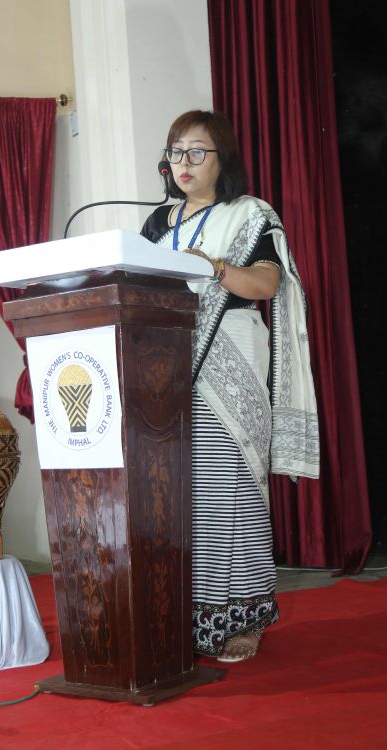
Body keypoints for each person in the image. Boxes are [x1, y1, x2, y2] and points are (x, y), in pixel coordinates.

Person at [141, 110, 319, 662]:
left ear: (223, 160)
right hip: (166, 364)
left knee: (229, 492)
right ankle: (189, 614)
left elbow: (266, 283)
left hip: (230, 356)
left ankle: (244, 614)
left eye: (197, 151)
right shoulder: (158, 223)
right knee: (181, 496)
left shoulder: (249, 214)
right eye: (176, 151)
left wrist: (214, 267)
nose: (184, 162)